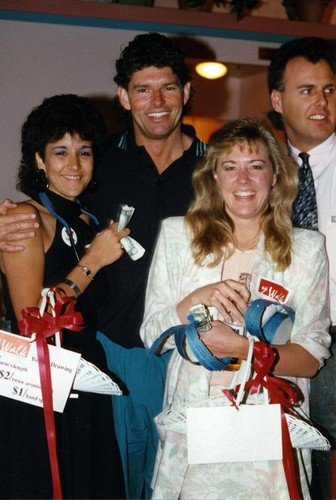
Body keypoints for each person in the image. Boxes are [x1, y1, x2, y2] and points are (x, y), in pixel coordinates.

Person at [0, 33, 206, 499]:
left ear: (186, 92)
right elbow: (34, 293)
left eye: (168, 88)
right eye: (142, 89)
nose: (157, 101)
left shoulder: (216, 170)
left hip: (190, 356)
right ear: (123, 96)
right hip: (106, 358)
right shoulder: (99, 166)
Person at [140, 117, 331, 499]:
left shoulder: (306, 249)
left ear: (275, 176)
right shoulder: (179, 235)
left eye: (256, 166)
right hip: (194, 423)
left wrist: (242, 350)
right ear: (213, 178)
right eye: (230, 167)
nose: (243, 181)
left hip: (267, 431)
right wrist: (196, 299)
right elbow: (152, 335)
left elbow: (311, 358)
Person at [0, 94, 128, 499]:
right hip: (38, 381)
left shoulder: (89, 221)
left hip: (86, 372)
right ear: (39, 160)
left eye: (84, 151)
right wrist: (93, 263)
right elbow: (31, 322)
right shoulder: (24, 218)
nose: (74, 165)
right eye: (60, 151)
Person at [268, 36, 336, 500]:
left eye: (329, 89)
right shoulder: (258, 171)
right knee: (297, 464)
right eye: (307, 90)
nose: (321, 102)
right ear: (277, 100)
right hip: (285, 344)